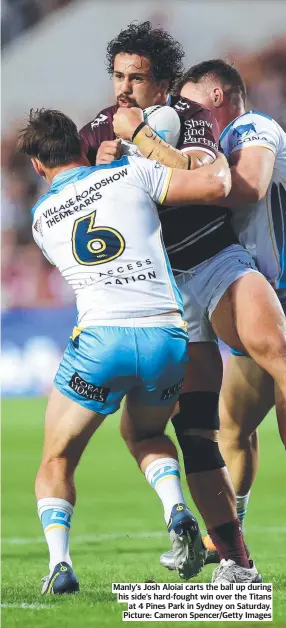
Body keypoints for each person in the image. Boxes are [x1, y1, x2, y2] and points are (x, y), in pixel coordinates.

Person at [18, 108, 232, 594]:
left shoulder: (39, 219)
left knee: (58, 457)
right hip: (165, 338)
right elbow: (212, 187)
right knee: (146, 433)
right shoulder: (130, 171)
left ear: (36, 165)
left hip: (101, 342)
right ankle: (176, 509)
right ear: (80, 144)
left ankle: (59, 565)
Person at [173, 59, 286, 557]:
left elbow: (252, 187)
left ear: (217, 95)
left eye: (192, 103)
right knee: (235, 427)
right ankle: (230, 539)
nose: (187, 117)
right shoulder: (216, 148)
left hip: (280, 291)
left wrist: (180, 185)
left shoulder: (252, 127)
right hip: (256, 295)